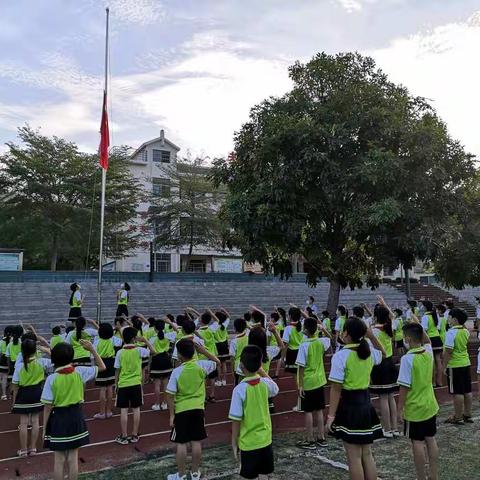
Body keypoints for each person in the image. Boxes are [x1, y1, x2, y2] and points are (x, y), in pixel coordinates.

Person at [326, 317, 385, 480]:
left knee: (354, 457)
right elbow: (384, 353)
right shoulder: (369, 352)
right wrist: (372, 336)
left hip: (350, 406)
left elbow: (336, 389)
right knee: (366, 453)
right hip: (366, 404)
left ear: (346, 333)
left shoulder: (340, 356)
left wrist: (330, 416)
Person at [41, 341, 105, 480]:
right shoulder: (79, 371)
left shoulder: (52, 378)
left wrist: (44, 429)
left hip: (59, 418)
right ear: (72, 357)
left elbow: (47, 407)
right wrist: (92, 349)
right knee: (73, 457)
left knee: (59, 459)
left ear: (53, 359)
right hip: (76, 416)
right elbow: (102, 366)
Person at [166, 339, 220, 480]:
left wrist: (171, 415)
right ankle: (195, 473)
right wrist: (203, 351)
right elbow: (217, 362)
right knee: (196, 441)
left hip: (182, 410)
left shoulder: (177, 372)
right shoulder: (201, 365)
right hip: (198, 409)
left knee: (181, 442)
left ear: (179, 356)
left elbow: (170, 395)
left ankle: (181, 475)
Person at [229, 345, 279, 480]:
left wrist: (234, 442)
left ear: (241, 365)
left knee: (249, 476)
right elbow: (275, 388)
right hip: (265, 440)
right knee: (264, 475)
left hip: (248, 442)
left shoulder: (239, 390)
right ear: (260, 365)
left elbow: (236, 420)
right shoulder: (265, 384)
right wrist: (261, 370)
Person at [397, 322, 438, 480]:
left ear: (407, 338)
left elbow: (404, 388)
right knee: (430, 439)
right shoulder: (428, 351)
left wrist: (400, 409)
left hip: (415, 408)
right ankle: (433, 476)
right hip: (430, 404)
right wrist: (419, 327)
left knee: (417, 442)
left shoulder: (407, 359)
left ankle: (421, 477)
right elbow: (427, 341)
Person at [11, 338, 51, 457]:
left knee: (23, 423)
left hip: (23, 394)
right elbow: (58, 359)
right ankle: (33, 448)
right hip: (37, 393)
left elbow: (15, 386)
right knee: (35, 421)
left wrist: (14, 402)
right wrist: (47, 350)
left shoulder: (18, 367)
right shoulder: (41, 362)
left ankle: (23, 450)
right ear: (35, 350)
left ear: (22, 351)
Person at [114, 326, 154, 444]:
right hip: (136, 383)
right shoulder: (139, 350)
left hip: (123, 384)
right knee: (136, 409)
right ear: (133, 338)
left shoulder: (120, 352)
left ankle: (124, 436)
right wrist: (146, 341)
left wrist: (116, 384)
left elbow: (117, 370)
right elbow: (153, 351)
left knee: (124, 410)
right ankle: (135, 434)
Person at [295, 317, 331, 449]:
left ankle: (310, 439)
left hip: (308, 382)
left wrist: (300, 385)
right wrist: (323, 329)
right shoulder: (320, 342)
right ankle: (321, 437)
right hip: (320, 380)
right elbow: (329, 338)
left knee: (308, 411)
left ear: (305, 329)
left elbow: (301, 367)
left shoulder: (304, 345)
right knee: (319, 410)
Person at [369, 302, 399, 438]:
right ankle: (395, 428)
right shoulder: (389, 328)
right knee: (391, 396)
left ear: (376, 317)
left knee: (383, 397)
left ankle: (386, 429)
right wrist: (384, 304)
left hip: (380, 364)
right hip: (390, 363)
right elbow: (392, 316)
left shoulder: (374, 331)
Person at [443, 308, 473, 424]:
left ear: (454, 319)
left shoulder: (451, 332)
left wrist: (445, 365)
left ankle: (458, 417)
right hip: (465, 363)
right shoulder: (465, 331)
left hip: (455, 365)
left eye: (449, 316)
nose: (447, 318)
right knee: (467, 390)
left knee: (457, 392)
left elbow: (449, 351)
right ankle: (468, 414)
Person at [93, 323, 123, 419]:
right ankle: (109, 411)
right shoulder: (113, 340)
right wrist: (119, 330)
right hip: (111, 363)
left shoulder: (97, 341)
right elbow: (123, 340)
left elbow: (93, 355)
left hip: (100, 363)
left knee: (102, 389)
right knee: (110, 388)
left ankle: (102, 412)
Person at [150, 319, 173, 411]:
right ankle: (164, 403)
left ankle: (157, 404)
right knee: (166, 384)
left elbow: (151, 352)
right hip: (166, 360)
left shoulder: (152, 339)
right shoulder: (168, 336)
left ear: (154, 328)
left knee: (157, 384)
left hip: (156, 360)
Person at [421, 301, 443, 387]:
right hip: (437, 338)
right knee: (438, 360)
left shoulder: (425, 317)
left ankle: (433, 382)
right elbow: (438, 327)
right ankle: (439, 381)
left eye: (422, 306)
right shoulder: (435, 315)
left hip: (430, 339)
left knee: (432, 361)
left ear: (426, 307)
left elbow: (424, 330)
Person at [213, 309, 230, 387]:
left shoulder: (214, 326)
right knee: (224, 363)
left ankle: (219, 380)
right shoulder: (224, 325)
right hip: (224, 344)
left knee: (218, 364)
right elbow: (229, 316)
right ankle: (224, 380)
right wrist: (224, 310)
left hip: (217, 345)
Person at [230, 318, 249, 385]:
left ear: (235, 328)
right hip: (248, 364)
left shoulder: (234, 341)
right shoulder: (248, 337)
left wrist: (232, 371)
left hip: (238, 366)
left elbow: (232, 358)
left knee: (238, 385)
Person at [0, 326, 12, 400]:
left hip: (3, 360)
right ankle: (11, 395)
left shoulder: (1, 341)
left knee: (4, 378)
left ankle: (4, 394)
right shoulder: (14, 341)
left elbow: (0, 352)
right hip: (12, 360)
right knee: (12, 378)